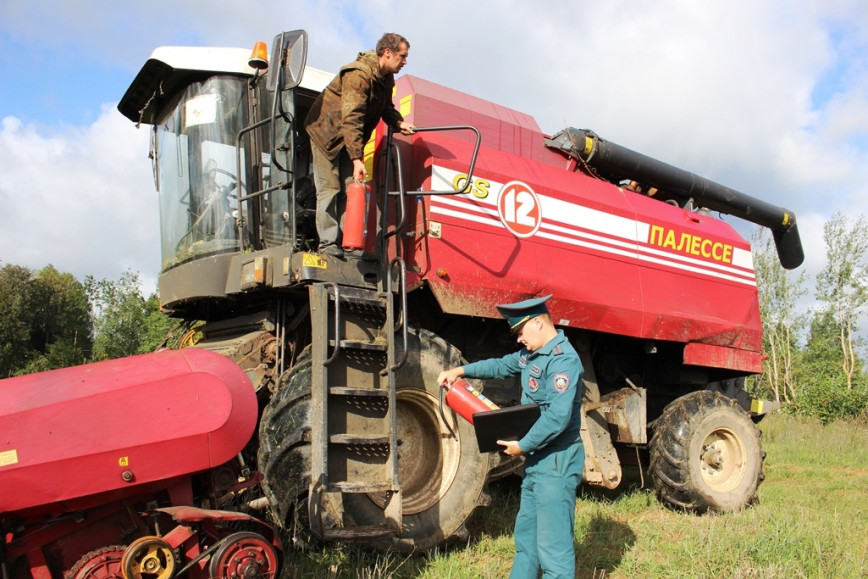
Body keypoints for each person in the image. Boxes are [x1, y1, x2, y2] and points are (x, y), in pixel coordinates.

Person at [437, 295, 584, 579]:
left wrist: (522, 445)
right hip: (536, 460)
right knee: (526, 540)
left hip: (556, 461)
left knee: (553, 548)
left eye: (520, 332)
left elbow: (557, 417)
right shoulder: (533, 354)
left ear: (539, 324)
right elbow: (501, 366)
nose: (518, 339)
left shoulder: (563, 361)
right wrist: (460, 371)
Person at [304, 32, 416, 258]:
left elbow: (385, 106)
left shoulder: (385, 79)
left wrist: (397, 121)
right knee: (330, 188)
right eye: (402, 56)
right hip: (326, 135)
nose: (405, 61)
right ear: (387, 53)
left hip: (349, 139)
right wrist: (357, 159)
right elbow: (352, 117)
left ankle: (349, 243)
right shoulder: (358, 75)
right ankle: (327, 244)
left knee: (350, 188)